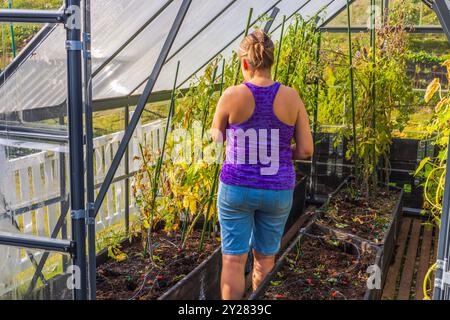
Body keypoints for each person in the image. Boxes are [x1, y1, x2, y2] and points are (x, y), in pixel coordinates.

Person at [211, 29, 314, 300]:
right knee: (264, 262)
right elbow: (305, 149)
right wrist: (276, 152)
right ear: (271, 60)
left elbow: (215, 139)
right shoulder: (292, 97)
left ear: (245, 63)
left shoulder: (231, 95)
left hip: (236, 189)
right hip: (277, 190)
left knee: (233, 262)